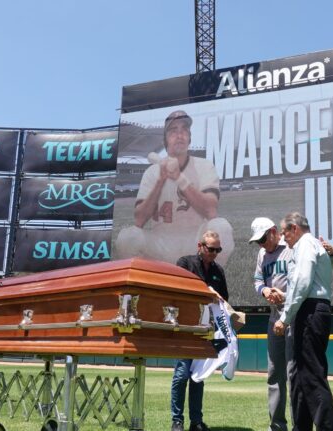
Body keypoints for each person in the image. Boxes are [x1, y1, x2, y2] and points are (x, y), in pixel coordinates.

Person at [115, 110, 234, 266]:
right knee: (127, 237)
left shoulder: (204, 166)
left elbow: (211, 211)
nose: (180, 134)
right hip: (161, 244)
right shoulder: (151, 172)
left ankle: (210, 278)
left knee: (221, 227)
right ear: (165, 139)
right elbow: (139, 220)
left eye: (184, 129)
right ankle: (143, 286)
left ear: (189, 137)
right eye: (173, 130)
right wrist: (161, 180)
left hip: (196, 242)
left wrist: (179, 178)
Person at [273, 212, 333, 431]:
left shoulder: (304, 244)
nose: (283, 238)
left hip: (309, 312)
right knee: (301, 377)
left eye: (284, 233)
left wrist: (284, 317)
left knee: (312, 377)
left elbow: (302, 283)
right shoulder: (312, 245)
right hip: (312, 310)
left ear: (294, 228)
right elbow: (308, 282)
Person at [171, 230, 228, 431]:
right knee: (181, 374)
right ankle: (177, 420)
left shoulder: (218, 271)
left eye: (217, 250)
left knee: (198, 376)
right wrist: (206, 291)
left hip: (206, 330)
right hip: (186, 328)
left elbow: (225, 300)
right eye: (211, 249)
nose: (214, 253)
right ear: (200, 246)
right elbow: (179, 288)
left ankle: (196, 421)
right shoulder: (185, 263)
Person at [249, 217, 294, 431]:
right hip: (274, 318)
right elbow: (257, 280)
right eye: (258, 241)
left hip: (293, 317)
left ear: (274, 231)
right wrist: (265, 290)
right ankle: (277, 426)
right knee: (274, 373)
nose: (262, 244)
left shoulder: (291, 248)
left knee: (294, 373)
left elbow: (303, 282)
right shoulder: (262, 254)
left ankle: (299, 425)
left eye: (263, 238)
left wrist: (283, 295)